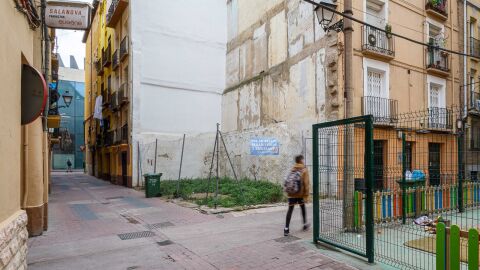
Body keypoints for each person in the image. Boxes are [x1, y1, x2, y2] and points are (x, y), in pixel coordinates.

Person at [284, 155, 310, 236]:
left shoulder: (293, 169)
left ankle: (286, 229)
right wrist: (306, 195)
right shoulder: (304, 170)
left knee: (290, 210)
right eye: (303, 159)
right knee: (302, 208)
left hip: (291, 194)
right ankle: (305, 225)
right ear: (301, 160)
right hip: (300, 194)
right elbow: (306, 183)